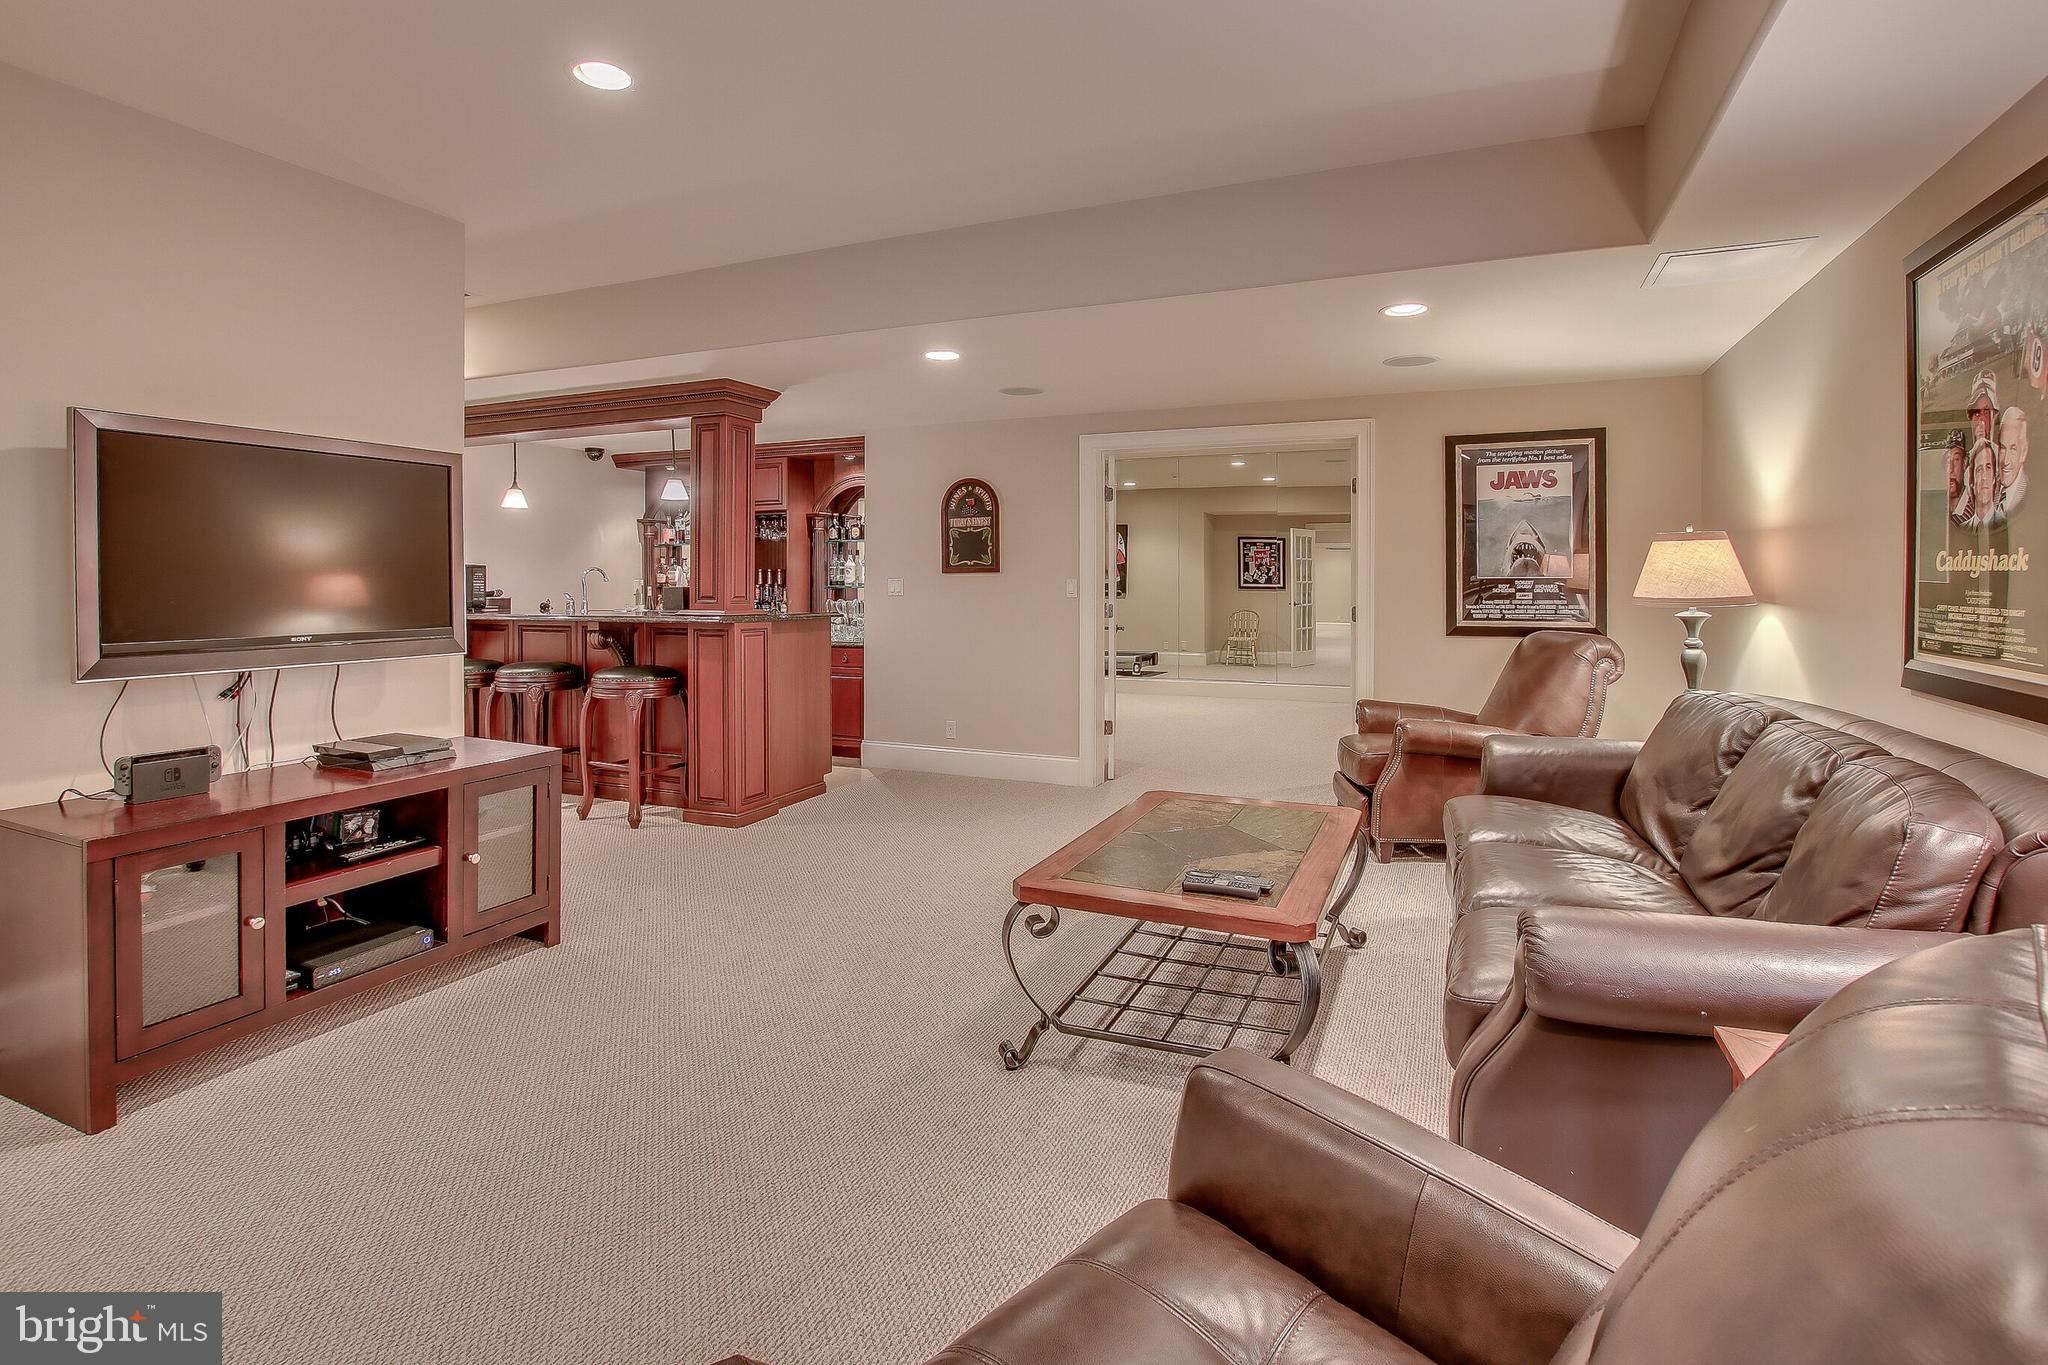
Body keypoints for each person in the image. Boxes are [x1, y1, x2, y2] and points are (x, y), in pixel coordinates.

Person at [1998, 404, 2030, 519]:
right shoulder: (1993, 489)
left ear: (2024, 452)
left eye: (2013, 449)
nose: (2005, 461)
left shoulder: (2028, 497)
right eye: (2002, 448)